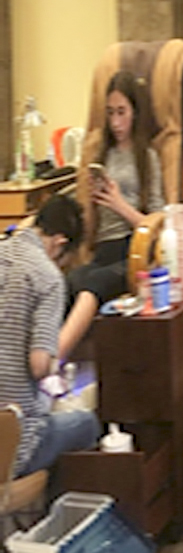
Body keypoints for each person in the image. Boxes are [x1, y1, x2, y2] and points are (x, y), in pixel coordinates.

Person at [60, 70, 164, 359]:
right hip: (103, 250)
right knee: (64, 284)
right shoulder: (101, 154)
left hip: (134, 252)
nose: (116, 122)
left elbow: (157, 223)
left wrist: (119, 204)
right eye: (110, 113)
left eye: (122, 112)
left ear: (135, 112)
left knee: (91, 288)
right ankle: (47, 364)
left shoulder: (148, 157)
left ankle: (54, 361)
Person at [1, 196, 101, 477]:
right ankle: (53, 501)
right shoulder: (47, 277)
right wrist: (53, 368)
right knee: (87, 424)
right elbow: (39, 365)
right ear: (60, 243)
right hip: (12, 445)